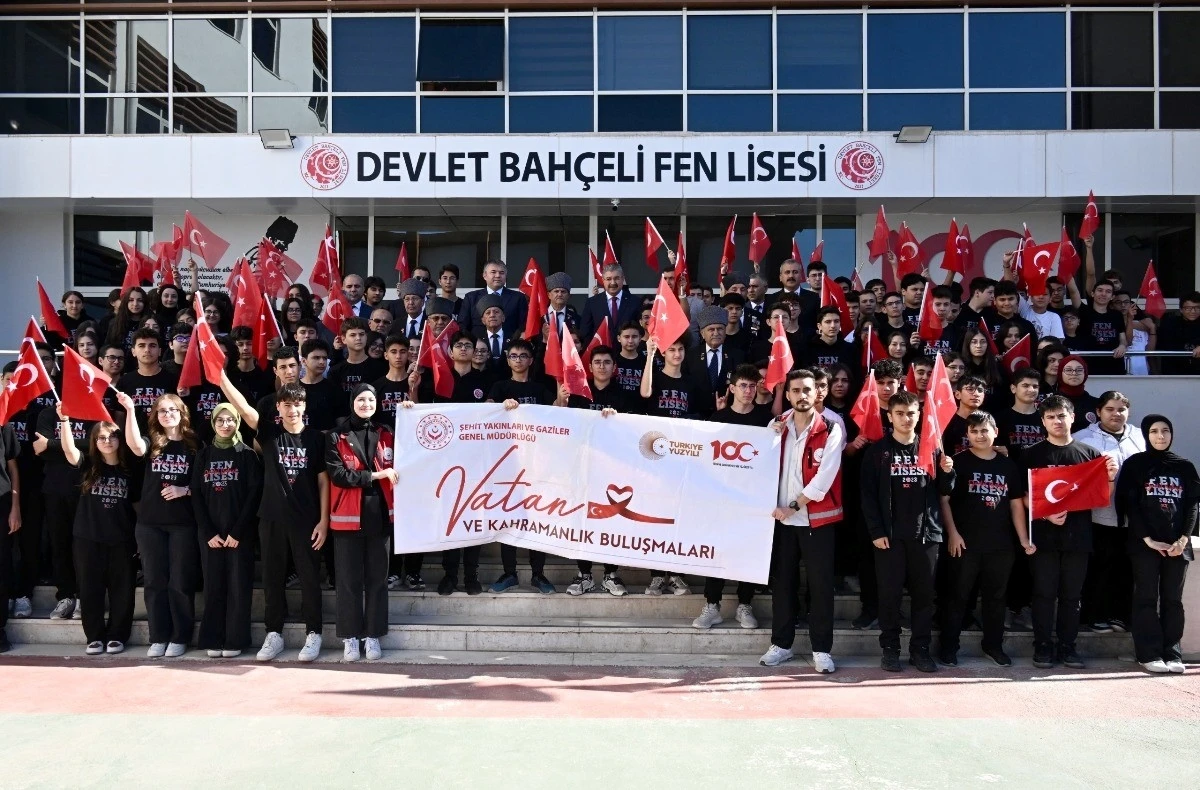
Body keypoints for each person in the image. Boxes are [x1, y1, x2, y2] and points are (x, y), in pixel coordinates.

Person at [217, 376, 329, 663]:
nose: (293, 409)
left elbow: (323, 482)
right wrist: (221, 378)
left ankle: (314, 633)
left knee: (309, 578)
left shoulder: (317, 439)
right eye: (287, 404)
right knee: (272, 577)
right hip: (271, 518)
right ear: (278, 407)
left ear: (305, 406)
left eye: (297, 404)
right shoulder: (269, 433)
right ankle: (274, 633)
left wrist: (324, 521)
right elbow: (243, 408)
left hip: (307, 521)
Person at [1018, 395, 1117, 669]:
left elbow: (1102, 497)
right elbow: (1021, 496)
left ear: (1072, 417)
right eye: (1050, 417)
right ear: (1043, 421)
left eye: (1061, 416)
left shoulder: (1090, 454)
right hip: (1043, 537)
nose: (1057, 421)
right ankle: (1042, 645)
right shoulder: (1031, 454)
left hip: (1078, 538)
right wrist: (1045, 513)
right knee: (1043, 594)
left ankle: (1068, 647)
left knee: (1072, 597)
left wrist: (1110, 477)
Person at [860, 391, 955, 672]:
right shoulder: (877, 452)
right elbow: (867, 496)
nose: (906, 418)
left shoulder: (932, 449)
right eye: (899, 413)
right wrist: (876, 531)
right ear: (890, 417)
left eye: (911, 413)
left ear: (919, 415)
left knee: (924, 597)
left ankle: (920, 649)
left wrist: (948, 471)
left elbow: (945, 491)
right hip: (889, 537)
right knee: (889, 596)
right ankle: (890, 649)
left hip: (926, 535)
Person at [758, 370, 844, 671]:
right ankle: (781, 645)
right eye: (796, 390)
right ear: (788, 394)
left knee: (820, 586)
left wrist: (793, 506)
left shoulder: (831, 427)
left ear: (817, 392)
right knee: (783, 585)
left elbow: (824, 479)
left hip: (816, 520)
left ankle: (821, 650)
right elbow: (760, 464)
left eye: (808, 390)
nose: (802, 395)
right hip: (782, 522)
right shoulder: (776, 424)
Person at [939, 411, 1034, 667]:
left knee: (996, 599)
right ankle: (949, 647)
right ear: (967, 435)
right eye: (974, 431)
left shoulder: (1008, 465)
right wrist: (953, 534)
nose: (980, 435)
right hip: (964, 544)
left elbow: (1016, 505)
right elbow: (944, 501)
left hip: (1001, 545)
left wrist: (1023, 539)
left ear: (995, 432)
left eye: (984, 430)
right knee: (958, 597)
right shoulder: (958, 462)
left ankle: (993, 646)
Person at [694, 364, 773, 631]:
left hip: (753, 500)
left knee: (748, 552)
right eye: (743, 386)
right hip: (720, 499)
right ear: (732, 388)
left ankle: (745, 605)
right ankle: (712, 605)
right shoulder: (718, 419)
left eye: (752, 386)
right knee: (716, 550)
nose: (748, 391)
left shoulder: (766, 421)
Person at [1116, 415, 1197, 674]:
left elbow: (1192, 506)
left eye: (1165, 431)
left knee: (1173, 600)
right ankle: (1148, 653)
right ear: (1146, 435)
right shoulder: (1135, 465)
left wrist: (1183, 539)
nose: (1160, 436)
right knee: (1146, 598)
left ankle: (1172, 653)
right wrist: (1148, 539)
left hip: (1177, 545)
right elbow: (1130, 505)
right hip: (1144, 545)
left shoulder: (1184, 466)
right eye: (1154, 431)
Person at [124, 392, 201, 659]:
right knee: (154, 582)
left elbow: (204, 483)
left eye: (172, 410)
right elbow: (135, 445)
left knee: (180, 582)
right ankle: (159, 636)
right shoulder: (153, 441)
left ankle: (180, 637)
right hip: (150, 524)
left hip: (183, 524)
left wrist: (184, 490)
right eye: (162, 411)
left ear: (182, 413)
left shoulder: (194, 444)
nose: (168, 415)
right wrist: (130, 410)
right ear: (155, 416)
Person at [58, 411, 139, 656]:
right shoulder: (87, 465)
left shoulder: (130, 469)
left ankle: (117, 636)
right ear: (94, 441)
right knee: (89, 589)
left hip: (121, 539)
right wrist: (64, 421)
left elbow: (137, 505)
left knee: (122, 591)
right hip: (88, 538)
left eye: (112, 436)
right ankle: (94, 637)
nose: (107, 441)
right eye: (101, 437)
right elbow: (69, 450)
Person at [326, 384, 397, 662]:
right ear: (352, 402)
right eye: (361, 399)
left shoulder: (386, 433)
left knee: (378, 579)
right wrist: (377, 476)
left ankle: (373, 635)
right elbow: (339, 476)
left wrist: (411, 408)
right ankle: (351, 637)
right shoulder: (336, 435)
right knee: (348, 581)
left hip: (380, 516)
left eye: (371, 399)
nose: (366, 404)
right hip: (347, 519)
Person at [1073, 391, 1145, 634]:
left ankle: (1120, 616)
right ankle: (1094, 616)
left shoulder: (1140, 436)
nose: (1116, 414)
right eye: (1110, 409)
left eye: (1121, 409)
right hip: (1097, 516)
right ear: (1098, 412)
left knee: (1126, 569)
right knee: (1099, 567)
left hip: (1133, 518)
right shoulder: (1082, 438)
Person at [457, 259, 529, 338]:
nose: (498, 275)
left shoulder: (518, 298)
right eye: (493, 272)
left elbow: (523, 325)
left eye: (502, 273)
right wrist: (474, 342)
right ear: (484, 275)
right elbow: (463, 325)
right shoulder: (471, 298)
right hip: (478, 344)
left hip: (509, 343)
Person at [580, 264, 641, 343]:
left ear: (623, 279)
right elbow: (585, 332)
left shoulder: (635, 302)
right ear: (603, 280)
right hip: (601, 349)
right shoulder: (592, 303)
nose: (613, 283)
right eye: (608, 279)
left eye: (616, 278)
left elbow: (640, 331)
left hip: (628, 349)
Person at [0, 417, 19, 653]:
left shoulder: (4, 427)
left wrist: (15, 507)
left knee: (1, 568)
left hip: (2, 504)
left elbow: (13, 468)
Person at [1057, 354, 1099, 433]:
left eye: (1079, 370)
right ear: (1060, 373)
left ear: (1085, 373)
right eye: (1068, 370)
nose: (1074, 373)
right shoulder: (1050, 402)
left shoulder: (1096, 403)